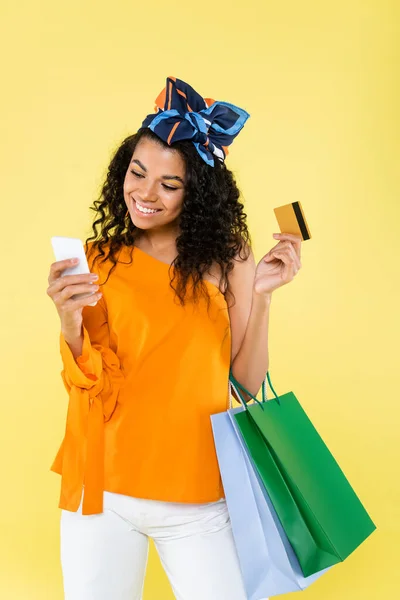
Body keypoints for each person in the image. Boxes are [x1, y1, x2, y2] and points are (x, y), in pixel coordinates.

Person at [47, 76, 302, 600]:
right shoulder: (97, 259)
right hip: (101, 488)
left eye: (170, 184)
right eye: (138, 173)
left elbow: (247, 385)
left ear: (197, 193)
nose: (145, 193)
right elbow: (91, 387)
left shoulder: (227, 259)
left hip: (197, 494)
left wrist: (265, 296)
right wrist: (69, 323)